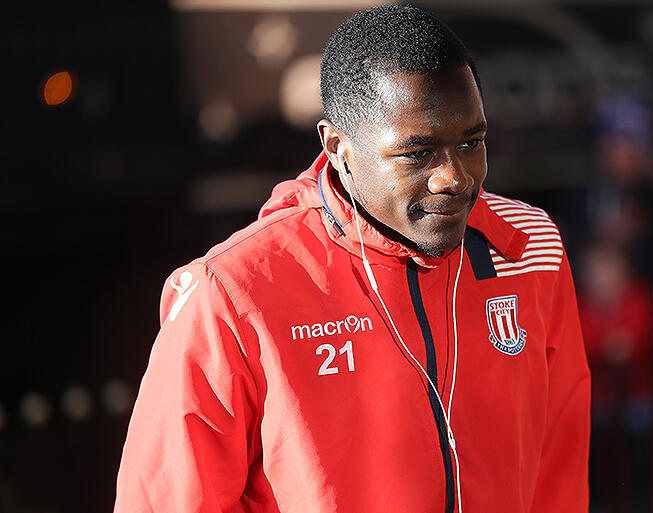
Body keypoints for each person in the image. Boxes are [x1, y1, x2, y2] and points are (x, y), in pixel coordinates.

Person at [114, 5, 590, 513]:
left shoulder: (530, 244)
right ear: (338, 147)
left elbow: (558, 468)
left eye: (472, 142)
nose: (454, 177)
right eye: (418, 153)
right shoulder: (233, 292)